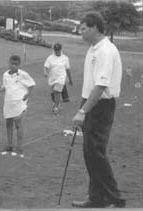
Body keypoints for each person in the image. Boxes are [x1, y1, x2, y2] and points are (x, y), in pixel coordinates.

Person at [72, 12, 126, 208]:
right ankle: (96, 198)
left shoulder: (106, 50)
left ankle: (116, 198)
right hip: (90, 102)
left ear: (94, 27)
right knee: (90, 154)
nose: (81, 32)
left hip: (101, 106)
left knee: (95, 153)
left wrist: (82, 112)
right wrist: (82, 107)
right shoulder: (93, 49)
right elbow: (90, 85)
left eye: (84, 28)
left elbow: (101, 86)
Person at [0, 55, 35, 156]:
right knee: (8, 123)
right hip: (8, 102)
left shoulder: (23, 74)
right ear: (9, 63)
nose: (13, 66)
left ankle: (20, 146)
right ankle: (9, 145)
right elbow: (5, 86)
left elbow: (31, 84)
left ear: (19, 65)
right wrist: (1, 89)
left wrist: (28, 94)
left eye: (15, 64)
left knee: (18, 124)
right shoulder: (5, 75)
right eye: (11, 64)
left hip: (19, 102)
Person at [44, 43, 73, 114]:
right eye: (56, 50)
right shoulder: (50, 58)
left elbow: (68, 69)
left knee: (57, 91)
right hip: (52, 78)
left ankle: (56, 108)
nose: (57, 51)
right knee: (53, 92)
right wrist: (45, 72)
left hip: (61, 78)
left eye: (58, 50)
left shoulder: (65, 58)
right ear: (54, 50)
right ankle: (56, 104)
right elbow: (46, 66)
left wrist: (70, 79)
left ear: (61, 49)